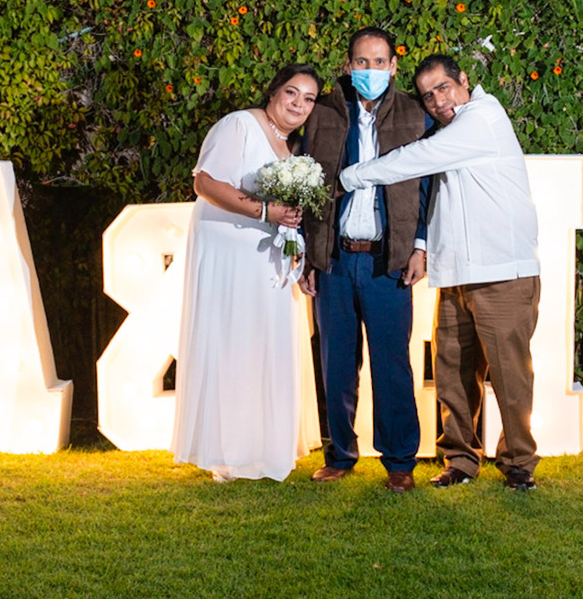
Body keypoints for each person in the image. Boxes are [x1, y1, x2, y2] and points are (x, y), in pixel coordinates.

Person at [339, 54, 541, 491]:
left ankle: (518, 462)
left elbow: (417, 158)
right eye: (428, 96)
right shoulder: (450, 128)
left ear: (464, 80)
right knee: (453, 373)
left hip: (502, 272)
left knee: (510, 374)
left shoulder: (482, 117)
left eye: (443, 88)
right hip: (456, 276)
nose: (436, 101)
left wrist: (350, 177)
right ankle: (461, 460)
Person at [171, 64, 323, 482]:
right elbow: (205, 183)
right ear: (273, 92)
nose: (298, 104)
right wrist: (265, 211)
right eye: (291, 92)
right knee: (233, 341)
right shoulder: (239, 125)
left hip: (267, 256)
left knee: (264, 341)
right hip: (229, 249)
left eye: (309, 99)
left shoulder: (292, 147)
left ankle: (262, 447)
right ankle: (227, 453)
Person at [299, 27, 429, 493]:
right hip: (335, 259)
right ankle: (340, 454)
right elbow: (305, 183)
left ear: (393, 66)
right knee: (336, 364)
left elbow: (429, 186)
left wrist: (420, 245)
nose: (369, 70)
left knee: (392, 364)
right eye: (361, 62)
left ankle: (399, 460)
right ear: (348, 65)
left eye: (378, 62)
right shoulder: (324, 114)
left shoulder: (416, 115)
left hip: (387, 261)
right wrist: (308, 253)